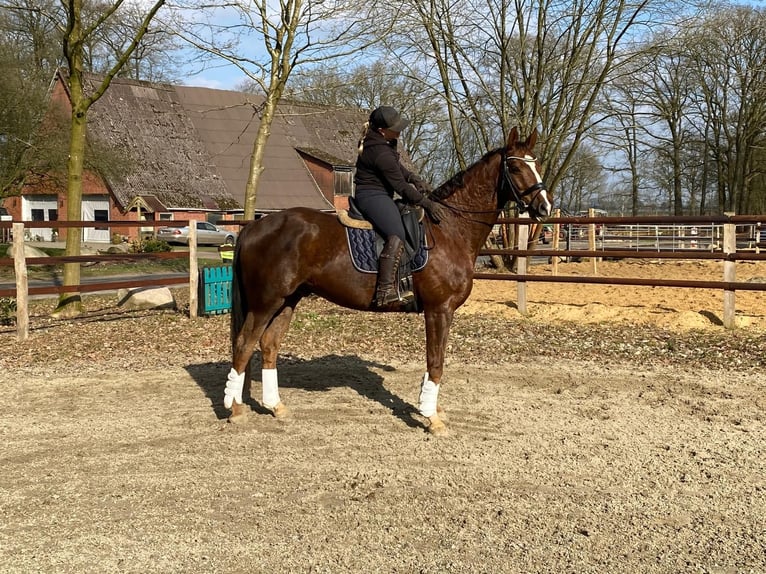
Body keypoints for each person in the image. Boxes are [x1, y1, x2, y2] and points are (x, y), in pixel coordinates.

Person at [353, 105, 447, 306]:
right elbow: (401, 187)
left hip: (380, 194)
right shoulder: (380, 151)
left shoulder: (382, 143)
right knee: (397, 233)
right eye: (395, 127)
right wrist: (426, 203)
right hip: (371, 196)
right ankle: (384, 290)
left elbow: (398, 170)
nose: (400, 130)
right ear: (382, 130)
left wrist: (414, 177)